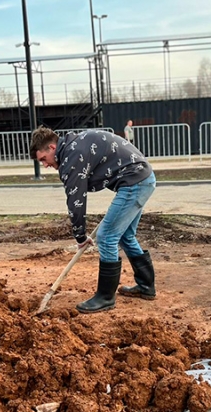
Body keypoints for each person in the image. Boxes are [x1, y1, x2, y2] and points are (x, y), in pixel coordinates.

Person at [30, 126, 157, 313]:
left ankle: (105, 298)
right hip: (141, 178)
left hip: (134, 182)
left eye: (44, 159)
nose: (45, 165)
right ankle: (146, 287)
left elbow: (76, 199)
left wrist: (80, 237)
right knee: (125, 236)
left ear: (51, 147)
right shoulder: (74, 146)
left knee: (106, 236)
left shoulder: (72, 156)